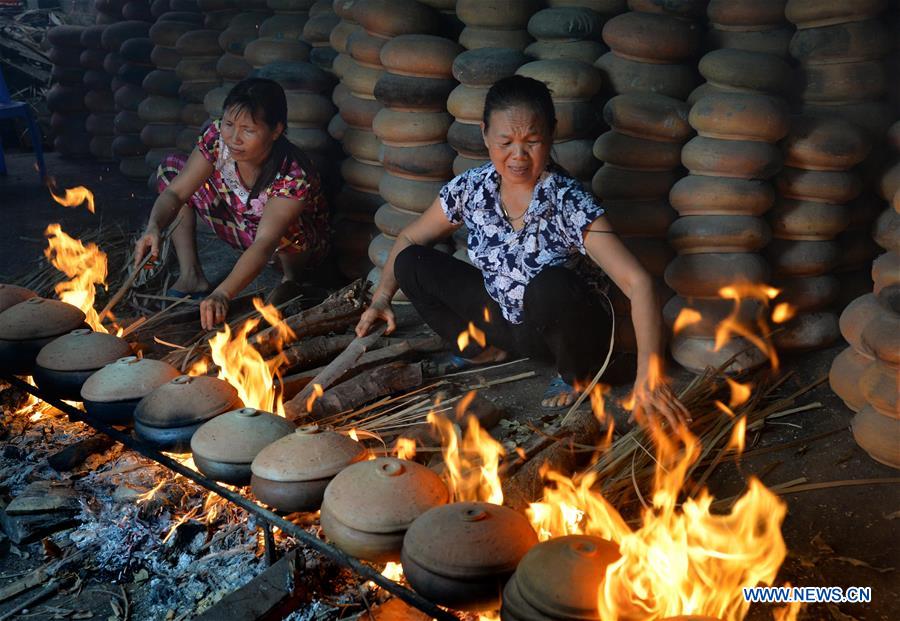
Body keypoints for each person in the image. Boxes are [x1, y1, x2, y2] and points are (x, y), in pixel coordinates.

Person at [355, 75, 689, 428]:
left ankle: (573, 374)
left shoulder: (568, 201)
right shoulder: (472, 189)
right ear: (485, 134)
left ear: (551, 135)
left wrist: (648, 374)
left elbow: (639, 283)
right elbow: (409, 237)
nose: (518, 156)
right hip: (503, 320)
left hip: (563, 331)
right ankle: (484, 350)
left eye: (532, 141)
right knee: (412, 261)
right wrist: (381, 298)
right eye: (505, 142)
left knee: (551, 285)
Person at [134, 78, 330, 330]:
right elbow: (176, 194)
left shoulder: (292, 174)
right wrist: (154, 227)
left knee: (287, 226)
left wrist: (224, 293)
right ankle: (191, 276)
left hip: (292, 248)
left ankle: (291, 282)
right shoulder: (218, 137)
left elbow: (264, 243)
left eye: (248, 130)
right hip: (241, 222)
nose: (234, 138)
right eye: (229, 124)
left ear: (276, 130)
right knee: (173, 169)